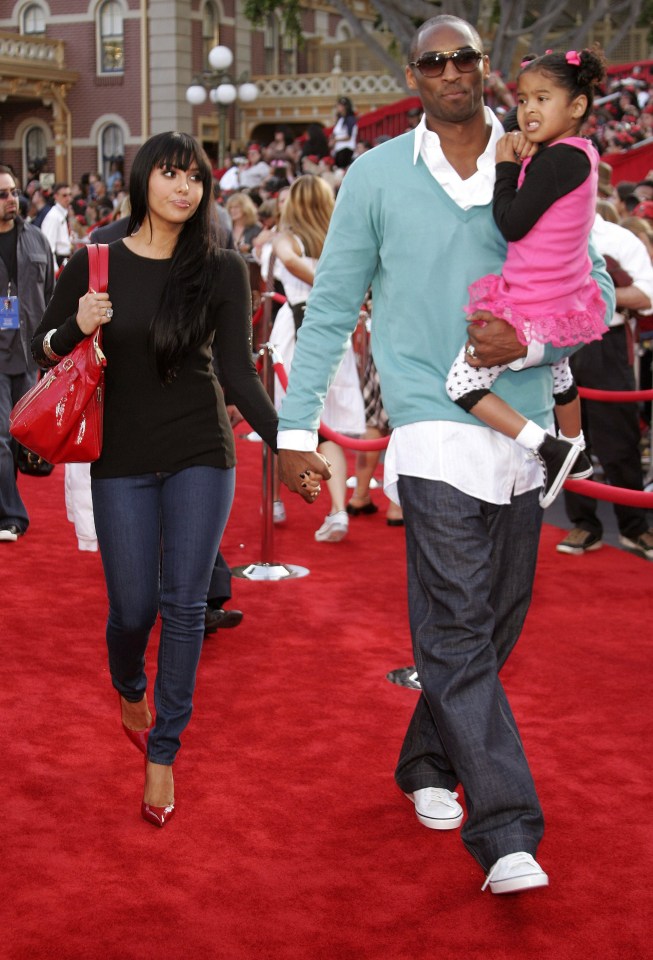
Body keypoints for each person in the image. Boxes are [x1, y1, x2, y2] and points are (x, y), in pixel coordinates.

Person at [275, 15, 614, 893]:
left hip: (521, 429)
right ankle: (506, 829)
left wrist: (530, 344)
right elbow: (332, 304)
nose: (449, 69)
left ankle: (426, 761)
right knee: (458, 622)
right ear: (417, 76)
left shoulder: (549, 162)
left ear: (486, 67)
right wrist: (292, 430)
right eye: (432, 59)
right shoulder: (376, 177)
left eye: (464, 55)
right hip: (428, 425)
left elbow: (600, 287)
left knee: (494, 624)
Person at [31, 131, 290, 828]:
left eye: (196, 178)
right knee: (132, 610)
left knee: (183, 605)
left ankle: (163, 752)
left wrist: (288, 444)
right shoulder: (96, 262)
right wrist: (77, 326)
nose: (185, 188)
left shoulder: (222, 268)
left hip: (202, 449)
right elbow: (42, 348)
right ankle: (126, 681)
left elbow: (239, 373)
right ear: (143, 179)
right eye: (171, 175)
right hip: (120, 459)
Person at [444, 49, 608, 508]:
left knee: (461, 384)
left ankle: (549, 447)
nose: (528, 110)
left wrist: (506, 167)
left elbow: (511, 222)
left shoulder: (558, 161)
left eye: (542, 98)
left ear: (576, 107)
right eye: (522, 100)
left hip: (535, 302)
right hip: (563, 298)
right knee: (560, 368)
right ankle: (577, 450)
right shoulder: (579, 154)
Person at [270, 174, 364, 542]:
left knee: (286, 419)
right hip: (335, 329)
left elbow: (291, 262)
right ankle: (338, 509)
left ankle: (277, 500)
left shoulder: (286, 238)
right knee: (330, 427)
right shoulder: (338, 239)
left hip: (297, 330)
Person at [557, 210, 653, 559]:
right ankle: (583, 522)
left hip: (607, 340)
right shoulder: (546, 233)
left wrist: (595, 289)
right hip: (557, 338)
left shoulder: (619, 239)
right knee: (566, 439)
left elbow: (646, 295)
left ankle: (635, 526)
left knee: (620, 439)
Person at [0, 165, 55, 542]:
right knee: (0, 435)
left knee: (21, 438)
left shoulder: (37, 240)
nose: (12, 200)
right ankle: (11, 515)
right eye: (3, 194)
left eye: (13, 191)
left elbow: (51, 295)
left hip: (27, 352)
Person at [40, 182, 74, 266]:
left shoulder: (63, 213)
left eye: (70, 195)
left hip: (66, 258)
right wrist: (54, 270)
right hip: (58, 261)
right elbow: (48, 245)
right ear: (56, 196)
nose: (68, 198)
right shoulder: (53, 216)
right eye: (64, 195)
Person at [330, 97, 358, 169]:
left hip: (346, 149)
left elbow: (349, 136)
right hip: (338, 149)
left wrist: (336, 140)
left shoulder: (350, 119)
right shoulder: (340, 119)